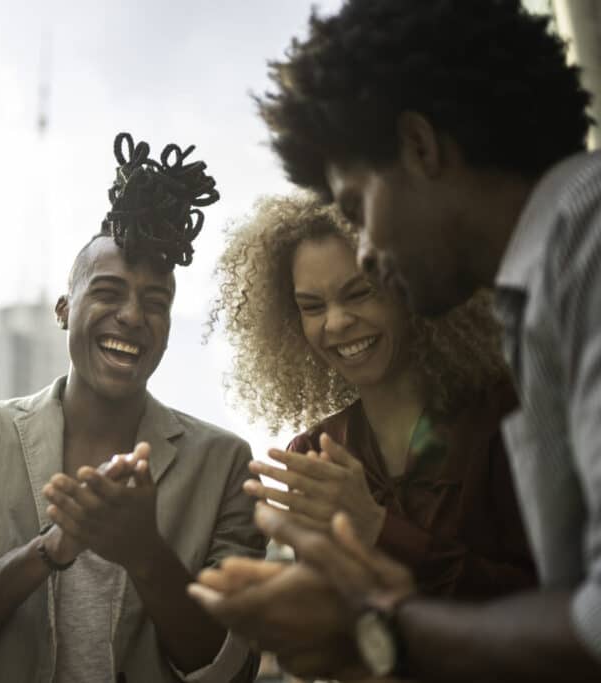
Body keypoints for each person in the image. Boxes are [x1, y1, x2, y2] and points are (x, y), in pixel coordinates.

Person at [188, 1, 601, 681]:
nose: (372, 251)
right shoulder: (542, 289)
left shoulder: (585, 246)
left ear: (420, 147)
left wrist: (379, 629)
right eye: (312, 305)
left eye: (357, 207)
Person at [0, 132, 266, 682]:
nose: (132, 315)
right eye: (107, 292)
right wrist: (53, 548)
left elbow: (230, 667)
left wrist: (145, 552)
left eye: (156, 302)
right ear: (64, 309)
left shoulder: (224, 463)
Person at [212, 193, 534, 600]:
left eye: (359, 292)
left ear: (409, 285)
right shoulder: (313, 455)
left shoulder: (503, 414)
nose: (337, 322)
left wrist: (379, 529)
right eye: (312, 307)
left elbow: (559, 603)